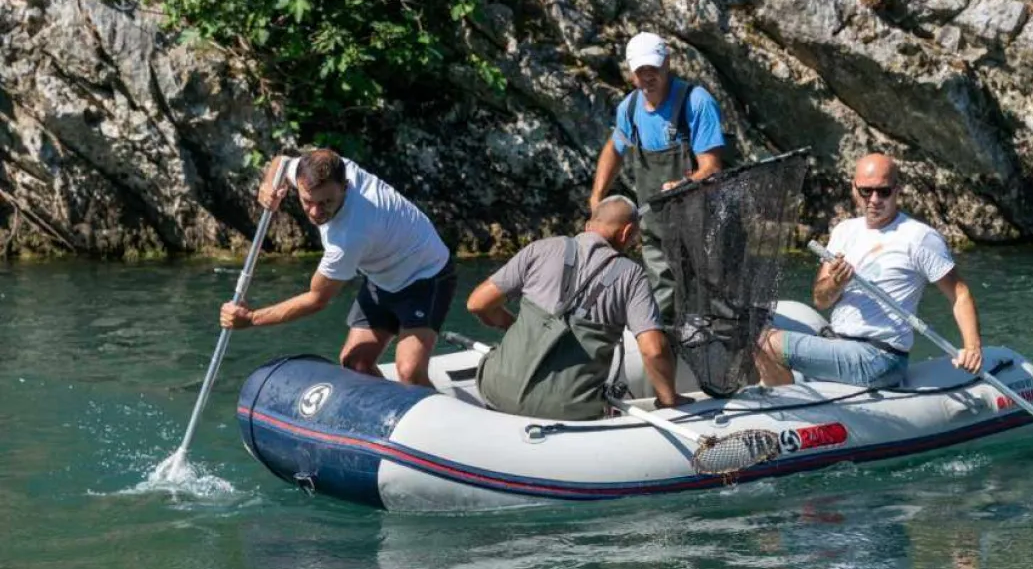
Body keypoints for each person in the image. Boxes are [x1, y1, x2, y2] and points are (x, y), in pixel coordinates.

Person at [219, 149, 456, 387]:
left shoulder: (349, 236)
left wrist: (251, 319)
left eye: (326, 202)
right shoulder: (322, 172)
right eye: (307, 201)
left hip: (426, 276)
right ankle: (386, 418)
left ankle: (443, 421)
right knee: (355, 364)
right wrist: (269, 184)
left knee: (409, 373)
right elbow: (281, 162)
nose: (315, 212)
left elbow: (316, 299)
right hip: (382, 275)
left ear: (346, 186)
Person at [755, 153, 983, 386]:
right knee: (753, 330)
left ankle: (787, 404)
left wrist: (972, 348)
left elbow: (960, 293)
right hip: (839, 343)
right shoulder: (843, 231)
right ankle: (786, 399)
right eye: (866, 191)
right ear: (854, 189)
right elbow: (821, 301)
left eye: (883, 191)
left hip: (878, 357)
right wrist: (836, 282)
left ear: (897, 190)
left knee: (765, 342)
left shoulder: (919, 237)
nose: (874, 199)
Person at [465, 196, 691, 420]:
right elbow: (654, 350)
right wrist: (668, 400)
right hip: (566, 410)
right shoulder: (631, 275)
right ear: (626, 232)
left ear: (588, 225)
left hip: (497, 391)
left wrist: (510, 325)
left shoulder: (540, 249)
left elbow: (477, 303)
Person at [588, 32, 727, 322]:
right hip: (656, 231)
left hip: (704, 228)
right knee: (661, 301)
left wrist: (684, 185)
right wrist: (597, 196)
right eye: (641, 71)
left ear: (667, 63)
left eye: (653, 68)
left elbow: (712, 166)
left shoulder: (697, 102)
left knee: (715, 302)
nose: (647, 76)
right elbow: (614, 149)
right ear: (631, 72)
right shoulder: (628, 108)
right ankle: (664, 352)